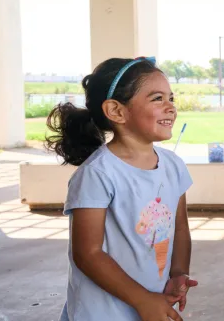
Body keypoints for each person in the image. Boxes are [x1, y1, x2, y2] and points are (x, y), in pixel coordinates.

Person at [47, 57, 197, 321]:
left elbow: (180, 227)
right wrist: (142, 300)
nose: (171, 107)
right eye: (157, 98)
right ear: (116, 111)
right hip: (102, 312)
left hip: (150, 304)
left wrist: (178, 274)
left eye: (171, 98)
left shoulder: (173, 166)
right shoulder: (98, 174)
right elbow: (88, 254)